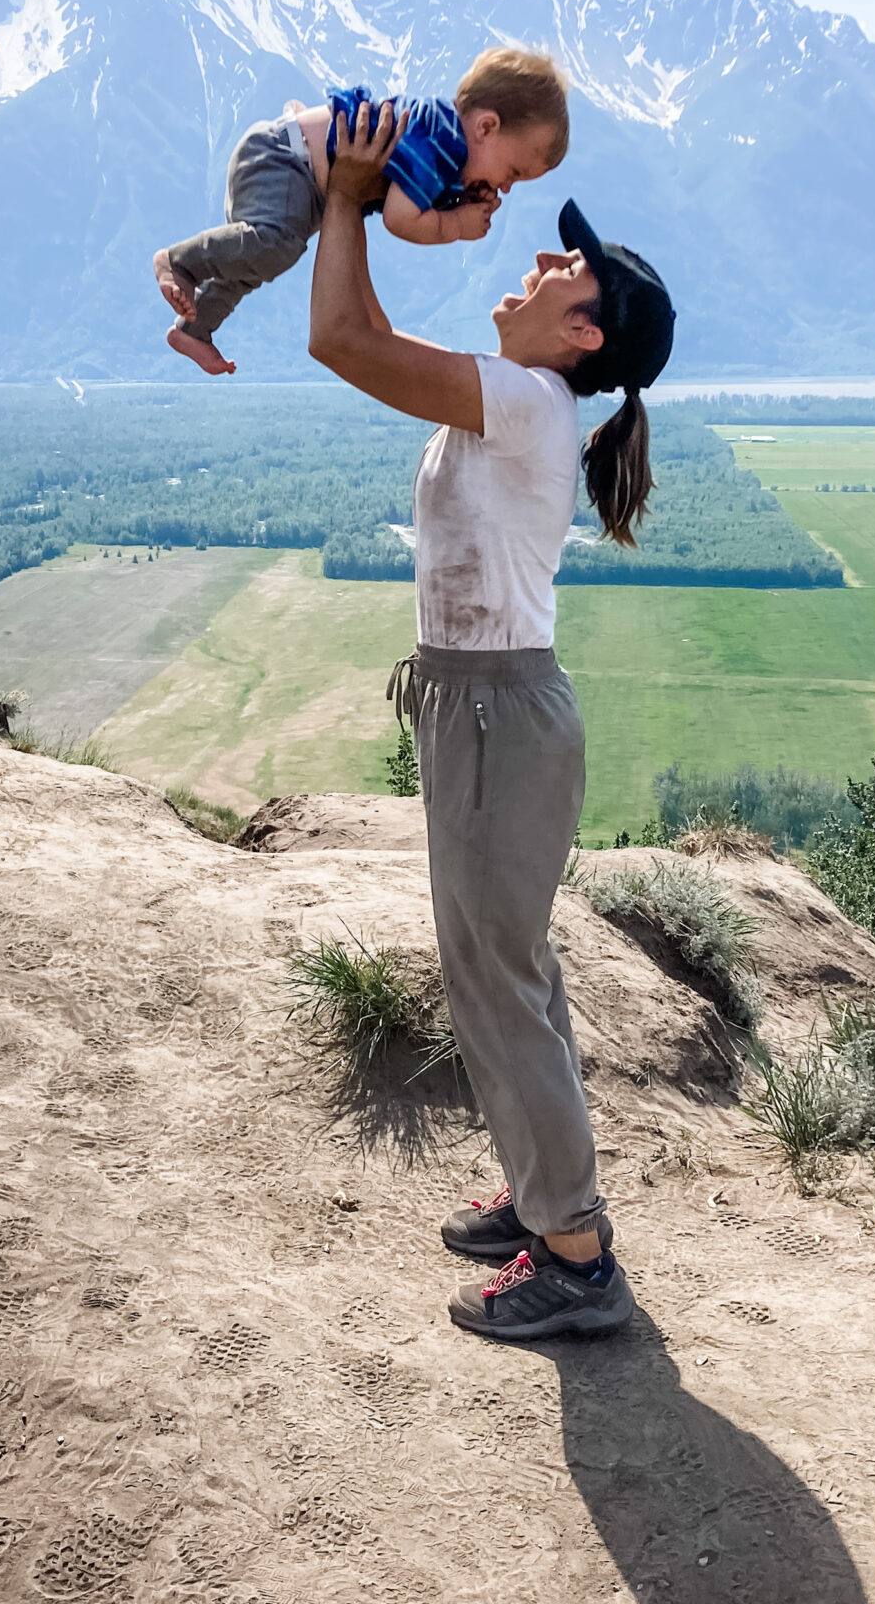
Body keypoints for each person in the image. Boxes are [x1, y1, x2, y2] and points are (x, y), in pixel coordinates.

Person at [307, 96, 675, 1341]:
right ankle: (541, 1196)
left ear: (581, 330)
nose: (534, 259)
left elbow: (344, 340)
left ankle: (575, 1259)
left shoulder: (525, 404)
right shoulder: (526, 394)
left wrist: (350, 195)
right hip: (481, 708)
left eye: (558, 265)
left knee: (499, 983)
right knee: (497, 972)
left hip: (498, 719)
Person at [154, 48, 571, 375]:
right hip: (286, 159)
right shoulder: (440, 139)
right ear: (486, 127)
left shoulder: (446, 154)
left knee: (254, 265)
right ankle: (179, 262)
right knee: (274, 246)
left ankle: (195, 329)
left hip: (305, 183)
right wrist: (457, 224)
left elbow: (404, 194)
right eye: (513, 171)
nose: (507, 187)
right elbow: (400, 217)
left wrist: (458, 200)